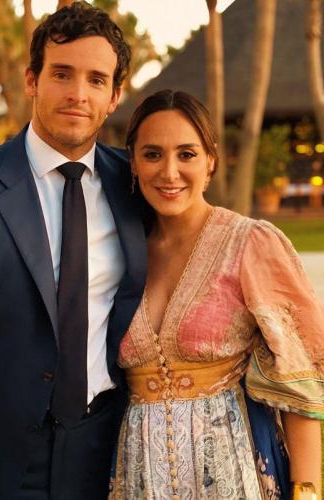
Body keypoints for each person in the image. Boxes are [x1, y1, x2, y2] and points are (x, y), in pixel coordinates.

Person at [0, 3, 147, 500]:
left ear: (114, 96)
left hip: (103, 449)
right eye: (62, 74)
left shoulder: (134, 186)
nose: (77, 94)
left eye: (96, 80)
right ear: (32, 80)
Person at [109, 89, 324, 500]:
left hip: (234, 474)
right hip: (138, 475)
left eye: (186, 154)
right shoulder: (119, 253)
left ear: (210, 161)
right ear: (132, 163)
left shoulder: (250, 243)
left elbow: (301, 383)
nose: (169, 172)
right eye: (152, 155)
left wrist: (307, 491)